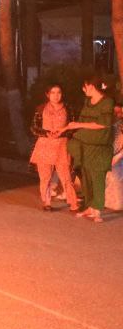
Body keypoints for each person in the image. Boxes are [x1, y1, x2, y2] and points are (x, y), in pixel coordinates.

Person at [65, 76, 115, 223]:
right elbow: (81, 121)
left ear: (92, 86)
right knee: (86, 177)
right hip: (84, 145)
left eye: (85, 86)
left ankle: (97, 209)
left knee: (97, 177)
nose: (83, 89)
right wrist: (66, 127)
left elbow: (102, 125)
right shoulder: (87, 102)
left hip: (99, 147)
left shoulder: (107, 102)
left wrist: (78, 126)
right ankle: (89, 207)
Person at [29, 84, 79, 212]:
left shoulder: (68, 108)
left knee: (66, 175)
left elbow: (73, 127)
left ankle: (73, 203)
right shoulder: (41, 108)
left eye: (59, 92)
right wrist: (46, 133)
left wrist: (63, 133)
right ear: (47, 94)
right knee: (45, 176)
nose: (56, 96)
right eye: (53, 92)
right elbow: (34, 127)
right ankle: (46, 202)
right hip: (45, 145)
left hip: (61, 145)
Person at [105, 104, 123, 212]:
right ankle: (111, 202)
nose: (117, 114)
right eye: (115, 112)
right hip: (111, 153)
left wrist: (119, 155)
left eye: (119, 112)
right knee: (110, 177)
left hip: (119, 155)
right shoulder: (110, 125)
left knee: (117, 178)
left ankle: (117, 203)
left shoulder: (120, 125)